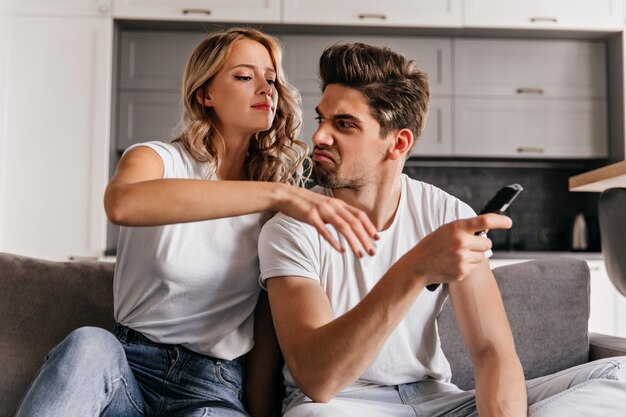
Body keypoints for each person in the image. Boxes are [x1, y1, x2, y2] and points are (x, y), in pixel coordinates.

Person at [14, 28, 377, 417]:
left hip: (211, 386)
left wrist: (260, 409)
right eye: (244, 76)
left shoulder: (276, 205)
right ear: (205, 94)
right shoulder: (155, 159)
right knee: (88, 343)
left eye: (271, 79)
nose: (265, 89)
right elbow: (122, 204)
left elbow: (265, 319)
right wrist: (279, 194)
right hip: (125, 367)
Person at [258, 42, 626, 417]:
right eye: (322, 119)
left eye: (345, 124)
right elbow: (318, 380)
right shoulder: (290, 229)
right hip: (343, 405)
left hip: (439, 402)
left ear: (398, 143)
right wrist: (416, 267)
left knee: (621, 374)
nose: (319, 137)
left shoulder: (447, 214)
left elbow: (491, 351)